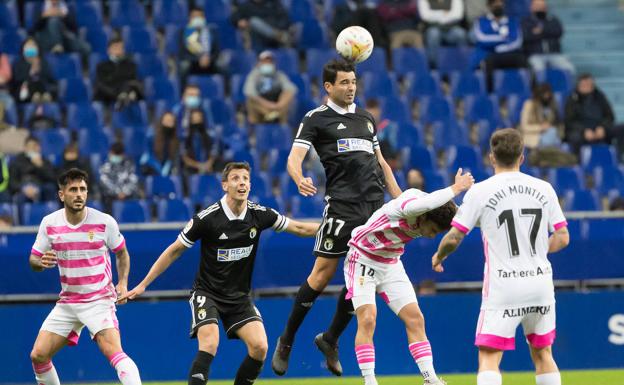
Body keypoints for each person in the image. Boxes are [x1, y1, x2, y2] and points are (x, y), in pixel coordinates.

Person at [118, 162, 320, 385]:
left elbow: (300, 228)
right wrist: (144, 284)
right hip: (207, 293)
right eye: (235, 178)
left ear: (250, 185)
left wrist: (337, 229)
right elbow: (174, 250)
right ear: (225, 185)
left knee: (260, 347)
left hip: (239, 297)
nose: (241, 182)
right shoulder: (207, 218)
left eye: (245, 178)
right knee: (210, 343)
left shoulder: (259, 214)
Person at [271, 59, 402, 377]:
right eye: (344, 82)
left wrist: (400, 200)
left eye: (353, 81)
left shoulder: (365, 118)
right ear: (328, 86)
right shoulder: (316, 119)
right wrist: (299, 176)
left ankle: (330, 339)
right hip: (342, 208)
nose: (351, 87)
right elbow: (294, 157)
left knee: (361, 280)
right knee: (319, 276)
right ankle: (286, 339)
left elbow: (381, 163)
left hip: (372, 210)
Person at [432, 128, 570, 385]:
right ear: (522, 157)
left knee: (489, 357)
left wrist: (439, 256)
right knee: (543, 353)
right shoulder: (544, 188)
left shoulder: (481, 191)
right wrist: (538, 250)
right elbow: (563, 237)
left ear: (491, 157)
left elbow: (454, 237)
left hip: (503, 286)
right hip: (540, 283)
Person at [346, 169, 474, 385]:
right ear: (424, 217)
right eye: (432, 229)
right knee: (368, 319)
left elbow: (470, 219)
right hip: (362, 258)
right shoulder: (408, 207)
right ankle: (370, 381)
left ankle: (430, 379)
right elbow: (425, 204)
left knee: (415, 319)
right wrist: (456, 188)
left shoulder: (432, 211)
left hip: (390, 264)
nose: (432, 235)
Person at [28, 168, 142, 385]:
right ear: (62, 195)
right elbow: (33, 259)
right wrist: (40, 263)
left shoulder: (104, 222)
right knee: (38, 355)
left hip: (98, 299)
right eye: (73, 189)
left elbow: (122, 253)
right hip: (68, 302)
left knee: (113, 352)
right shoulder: (49, 223)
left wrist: (123, 282)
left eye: (82, 189)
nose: (79, 194)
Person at [470, 0, 527, 92]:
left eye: (500, 3)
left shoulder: (512, 21)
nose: (498, 5)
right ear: (489, 6)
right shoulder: (481, 21)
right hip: (489, 55)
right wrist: (504, 39)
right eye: (494, 3)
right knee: (488, 62)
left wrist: (501, 47)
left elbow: (517, 41)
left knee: (522, 60)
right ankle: (490, 94)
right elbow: (482, 38)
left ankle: (523, 92)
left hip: (509, 54)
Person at [564, 73, 618, 156]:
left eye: (588, 84)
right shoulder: (572, 99)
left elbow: (610, 116)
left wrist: (602, 127)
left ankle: (619, 159)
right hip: (580, 131)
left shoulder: (600, 97)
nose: (586, 87)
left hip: (599, 128)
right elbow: (569, 121)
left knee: (620, 130)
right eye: (583, 85)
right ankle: (578, 162)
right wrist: (583, 131)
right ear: (578, 86)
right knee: (574, 137)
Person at [243, 50, 297, 125]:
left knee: (289, 95)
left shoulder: (279, 75)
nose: (267, 64)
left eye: (270, 62)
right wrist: (268, 105)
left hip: (277, 105)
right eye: (265, 62)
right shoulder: (253, 75)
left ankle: (282, 125)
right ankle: (255, 128)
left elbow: (291, 89)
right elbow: (249, 91)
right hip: (261, 106)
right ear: (259, 63)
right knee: (250, 100)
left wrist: (279, 105)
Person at [521, 0, 575, 74]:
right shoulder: (526, 22)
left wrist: (541, 31)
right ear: (532, 7)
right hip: (535, 55)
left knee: (569, 68)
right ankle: (541, 86)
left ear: (546, 8)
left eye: (542, 6)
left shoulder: (553, 19)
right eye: (537, 6)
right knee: (538, 69)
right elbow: (526, 36)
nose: (540, 8)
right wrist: (548, 33)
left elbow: (558, 32)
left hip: (554, 54)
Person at [94, 38, 143, 107]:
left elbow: (134, 82)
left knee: (131, 86)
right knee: (101, 88)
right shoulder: (101, 66)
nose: (119, 49)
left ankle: (123, 99)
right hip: (107, 97)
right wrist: (117, 95)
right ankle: (122, 98)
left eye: (121, 47)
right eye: (116, 47)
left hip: (127, 92)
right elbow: (100, 84)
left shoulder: (131, 65)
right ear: (109, 50)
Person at [9, 136, 57, 203]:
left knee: (50, 188)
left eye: (35, 146)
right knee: (19, 197)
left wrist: (41, 166)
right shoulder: (17, 162)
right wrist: (23, 188)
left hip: (41, 188)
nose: (33, 149)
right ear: (25, 148)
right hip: (23, 189)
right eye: (30, 147)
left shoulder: (45, 161)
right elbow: (12, 182)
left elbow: (52, 178)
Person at [418, 0, 467, 66]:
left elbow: (458, 15)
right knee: (433, 34)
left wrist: (436, 15)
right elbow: (425, 16)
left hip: (451, 28)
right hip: (432, 27)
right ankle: (434, 66)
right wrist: (444, 14)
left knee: (460, 34)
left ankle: (463, 65)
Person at [179, 7, 220, 84]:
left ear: (204, 18)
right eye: (194, 16)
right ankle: (183, 92)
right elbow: (182, 54)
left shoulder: (211, 31)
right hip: (192, 62)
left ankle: (226, 93)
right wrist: (198, 59)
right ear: (190, 18)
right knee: (183, 67)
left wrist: (209, 58)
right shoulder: (184, 32)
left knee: (222, 66)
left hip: (210, 61)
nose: (197, 19)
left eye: (199, 16)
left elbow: (217, 52)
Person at [11, 38, 57, 103]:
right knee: (30, 87)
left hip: (42, 88)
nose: (30, 48)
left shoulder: (43, 62)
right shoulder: (19, 63)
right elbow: (18, 79)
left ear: (37, 48)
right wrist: (31, 71)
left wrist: (38, 67)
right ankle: (36, 97)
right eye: (28, 46)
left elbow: (49, 78)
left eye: (33, 45)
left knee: (45, 87)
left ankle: (44, 98)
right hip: (25, 90)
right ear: (23, 49)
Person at [99, 142, 139, 213]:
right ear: (110, 153)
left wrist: (124, 192)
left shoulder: (129, 165)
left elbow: (134, 180)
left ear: (123, 154)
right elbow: (104, 181)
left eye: (118, 154)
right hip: (110, 198)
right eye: (114, 154)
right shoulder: (105, 166)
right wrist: (117, 193)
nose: (116, 156)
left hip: (127, 197)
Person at [520, 83, 561, 149]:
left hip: (550, 135)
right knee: (552, 134)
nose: (546, 96)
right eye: (544, 94)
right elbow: (524, 127)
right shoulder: (529, 105)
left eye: (548, 94)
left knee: (553, 132)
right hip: (534, 137)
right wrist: (540, 127)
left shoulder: (552, 106)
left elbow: (556, 123)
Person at [141, 111, 180, 176]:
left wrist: (168, 165)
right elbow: (148, 154)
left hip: (165, 169)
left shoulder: (174, 139)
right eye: (167, 120)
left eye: (171, 121)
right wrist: (159, 168)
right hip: (150, 166)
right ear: (162, 121)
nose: (169, 122)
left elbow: (172, 157)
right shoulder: (152, 135)